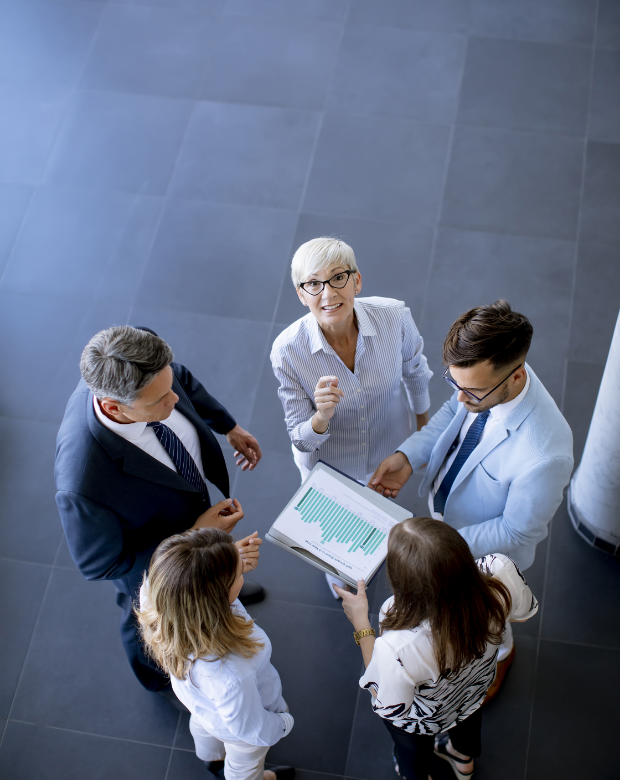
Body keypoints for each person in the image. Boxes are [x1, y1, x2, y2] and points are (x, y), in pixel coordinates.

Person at [369, 300, 573, 699]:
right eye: (455, 383)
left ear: (516, 377)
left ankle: (503, 655)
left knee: (489, 617)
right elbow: (451, 414)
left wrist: (438, 547)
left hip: (482, 554)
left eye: (472, 391)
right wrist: (409, 456)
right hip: (447, 522)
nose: (460, 398)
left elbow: (518, 529)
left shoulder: (547, 452)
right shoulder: (480, 385)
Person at [55, 325, 265, 700]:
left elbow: (181, 379)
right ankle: (156, 674)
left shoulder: (150, 371)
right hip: (158, 569)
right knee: (144, 620)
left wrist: (228, 427)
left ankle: (222, 587)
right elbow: (100, 565)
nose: (174, 401)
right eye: (159, 401)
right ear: (113, 406)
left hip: (188, 510)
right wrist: (192, 539)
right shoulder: (83, 483)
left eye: (169, 389)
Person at [270, 237, 432, 595]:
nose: (327, 294)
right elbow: (299, 436)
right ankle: (341, 574)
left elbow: (416, 372)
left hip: (388, 445)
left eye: (337, 278)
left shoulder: (394, 317)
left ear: (357, 281)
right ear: (301, 294)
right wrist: (321, 416)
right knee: (339, 546)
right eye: (313, 283)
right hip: (330, 465)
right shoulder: (287, 351)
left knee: (380, 520)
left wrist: (422, 436)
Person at [334, 517, 538, 780]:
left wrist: (361, 622)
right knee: (468, 719)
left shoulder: (399, 646)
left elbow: (385, 700)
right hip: (474, 690)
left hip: (426, 718)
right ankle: (462, 759)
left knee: (412, 752)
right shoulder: (499, 570)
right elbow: (522, 612)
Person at [137, 528, 295, 780]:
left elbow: (183, 569)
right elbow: (252, 729)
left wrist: (220, 560)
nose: (242, 572)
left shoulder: (158, 593)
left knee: (203, 724)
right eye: (236, 574)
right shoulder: (231, 672)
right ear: (216, 598)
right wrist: (284, 723)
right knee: (245, 766)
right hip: (239, 727)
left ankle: (211, 758)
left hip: (200, 702)